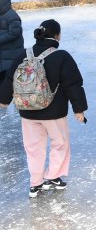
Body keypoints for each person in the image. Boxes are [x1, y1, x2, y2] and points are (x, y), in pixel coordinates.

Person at [0, 19, 88, 198]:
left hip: (27, 112)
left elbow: (10, 78)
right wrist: (79, 110)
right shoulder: (62, 56)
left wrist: (3, 100)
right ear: (57, 36)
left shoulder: (23, 54)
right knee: (60, 143)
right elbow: (73, 85)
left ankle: (35, 183)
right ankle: (52, 176)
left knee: (33, 148)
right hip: (53, 113)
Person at [0, 0, 24, 81]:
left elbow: (14, 33)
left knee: (9, 79)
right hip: (4, 55)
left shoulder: (12, 16)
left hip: (12, 55)